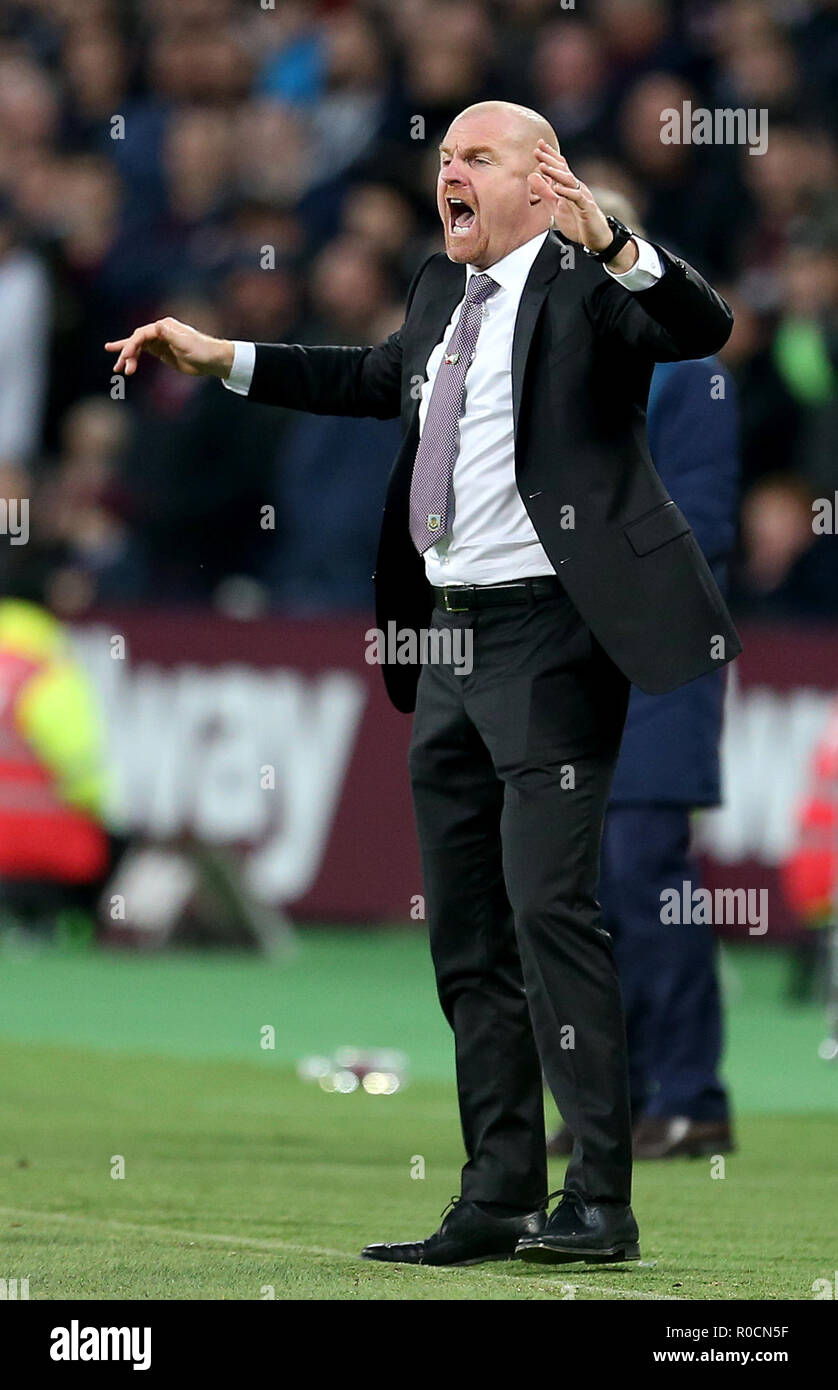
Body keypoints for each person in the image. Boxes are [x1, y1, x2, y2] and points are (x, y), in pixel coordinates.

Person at [106, 100, 740, 1268]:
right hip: (442, 640)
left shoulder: (585, 280)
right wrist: (224, 356)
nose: (447, 174)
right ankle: (496, 1191)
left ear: (540, 182)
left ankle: (599, 1199)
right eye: (442, 157)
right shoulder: (438, 290)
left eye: (477, 158)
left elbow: (699, 326)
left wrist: (611, 241)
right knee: (465, 932)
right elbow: (374, 379)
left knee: (552, 913)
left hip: (553, 634)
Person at [545, 195, 739, 1159]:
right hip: (571, 655)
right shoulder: (551, 362)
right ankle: (606, 1105)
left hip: (662, 654)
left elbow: (702, 522)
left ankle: (692, 1096)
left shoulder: (688, 367)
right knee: (576, 883)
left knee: (645, 873)